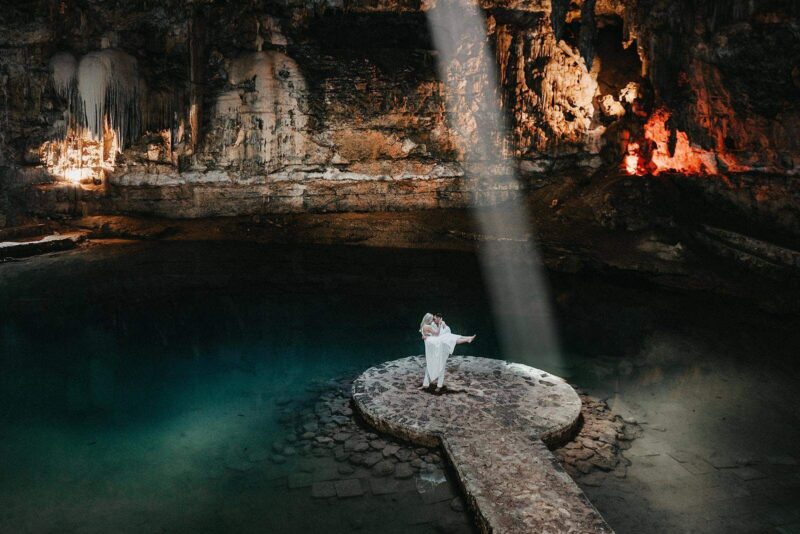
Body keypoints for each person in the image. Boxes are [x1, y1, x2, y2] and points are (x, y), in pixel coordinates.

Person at [419, 312, 476, 392]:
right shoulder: (428, 325)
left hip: (433, 344)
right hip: (434, 344)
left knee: (450, 338)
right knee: (449, 338)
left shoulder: (425, 325)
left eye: (434, 318)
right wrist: (439, 325)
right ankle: (467, 339)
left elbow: (426, 334)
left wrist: (441, 324)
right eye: (432, 319)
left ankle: (468, 338)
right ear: (429, 319)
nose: (433, 320)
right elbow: (436, 334)